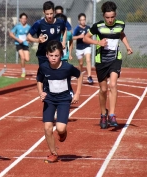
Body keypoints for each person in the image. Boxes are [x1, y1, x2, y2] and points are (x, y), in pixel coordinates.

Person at [83, 1, 133, 129]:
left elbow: (121, 34)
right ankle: (103, 114)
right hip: (101, 61)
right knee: (103, 89)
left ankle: (112, 114)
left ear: (115, 15)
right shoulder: (98, 26)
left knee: (113, 84)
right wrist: (97, 42)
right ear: (103, 16)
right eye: (107, 17)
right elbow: (85, 38)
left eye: (112, 17)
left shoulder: (120, 24)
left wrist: (127, 46)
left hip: (115, 59)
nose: (110, 20)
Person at [36, 40, 82, 163]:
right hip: (49, 99)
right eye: (51, 55)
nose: (53, 58)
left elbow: (79, 75)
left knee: (60, 128)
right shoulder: (43, 67)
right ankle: (53, 153)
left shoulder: (67, 67)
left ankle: (63, 133)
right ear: (46, 55)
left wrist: (77, 94)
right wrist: (41, 92)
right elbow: (39, 79)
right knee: (47, 127)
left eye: (56, 56)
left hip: (64, 99)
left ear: (61, 55)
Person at [27, 1, 67, 66]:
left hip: (55, 55)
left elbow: (64, 30)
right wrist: (38, 40)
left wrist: (63, 42)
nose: (49, 16)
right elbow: (28, 37)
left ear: (54, 12)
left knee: (56, 74)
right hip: (43, 55)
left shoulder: (60, 22)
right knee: (44, 75)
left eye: (51, 14)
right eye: (47, 14)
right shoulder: (39, 23)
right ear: (43, 12)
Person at [73, 13, 94, 84]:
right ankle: (79, 75)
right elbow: (72, 37)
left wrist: (88, 38)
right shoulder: (77, 28)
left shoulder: (88, 28)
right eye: (81, 20)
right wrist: (79, 36)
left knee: (88, 60)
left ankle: (89, 76)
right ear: (79, 21)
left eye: (84, 20)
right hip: (79, 48)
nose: (83, 21)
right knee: (81, 63)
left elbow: (91, 35)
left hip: (87, 46)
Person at [9, 13, 31, 77]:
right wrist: (17, 39)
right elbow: (11, 34)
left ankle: (21, 56)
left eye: (25, 19)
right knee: (22, 57)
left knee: (27, 59)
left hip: (25, 44)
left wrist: (29, 40)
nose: (23, 20)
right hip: (18, 43)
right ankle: (23, 71)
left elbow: (30, 35)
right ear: (20, 19)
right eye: (22, 18)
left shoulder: (29, 27)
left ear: (26, 19)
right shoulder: (17, 26)